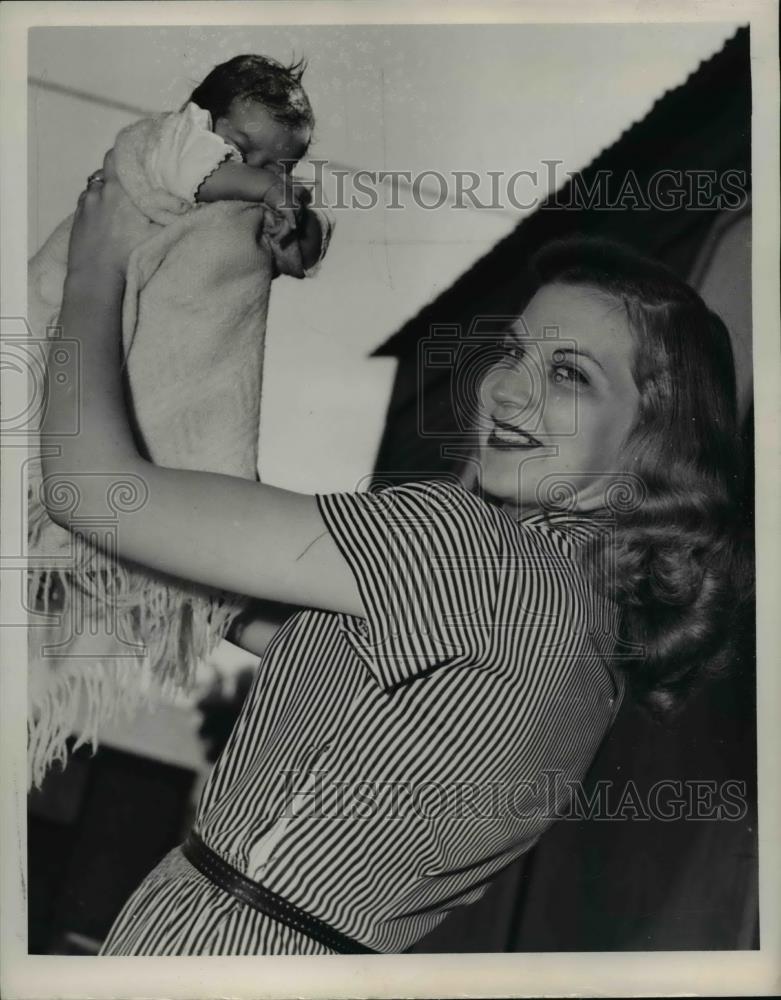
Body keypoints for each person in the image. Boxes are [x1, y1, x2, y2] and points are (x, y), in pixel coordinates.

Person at [40, 168, 749, 955]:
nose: (508, 392)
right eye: (514, 353)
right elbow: (268, 624)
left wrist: (94, 266)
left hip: (218, 946)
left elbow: (95, 492)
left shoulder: (467, 546)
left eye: (569, 375)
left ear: (652, 441)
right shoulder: (585, 631)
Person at [27, 54, 334, 786]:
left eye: (278, 160)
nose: (257, 167)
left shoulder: (247, 199)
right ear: (201, 117)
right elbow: (188, 178)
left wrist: (295, 231)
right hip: (64, 302)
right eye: (243, 148)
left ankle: (165, 522)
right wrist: (264, 189)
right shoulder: (167, 143)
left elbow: (291, 257)